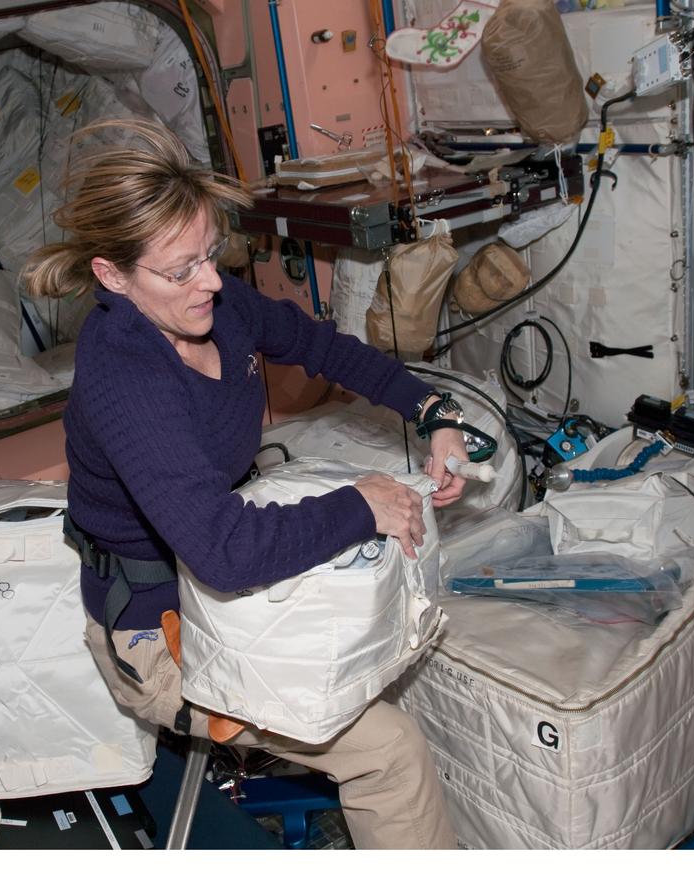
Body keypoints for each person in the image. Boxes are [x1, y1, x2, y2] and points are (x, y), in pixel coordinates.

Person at [24, 120, 469, 849]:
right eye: (180, 270)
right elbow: (227, 553)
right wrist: (360, 506)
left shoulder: (214, 303)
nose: (210, 282)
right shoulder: (127, 381)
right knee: (389, 753)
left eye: (211, 254)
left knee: (381, 625)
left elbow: (321, 346)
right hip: (158, 632)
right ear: (111, 276)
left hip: (212, 575)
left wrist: (431, 409)